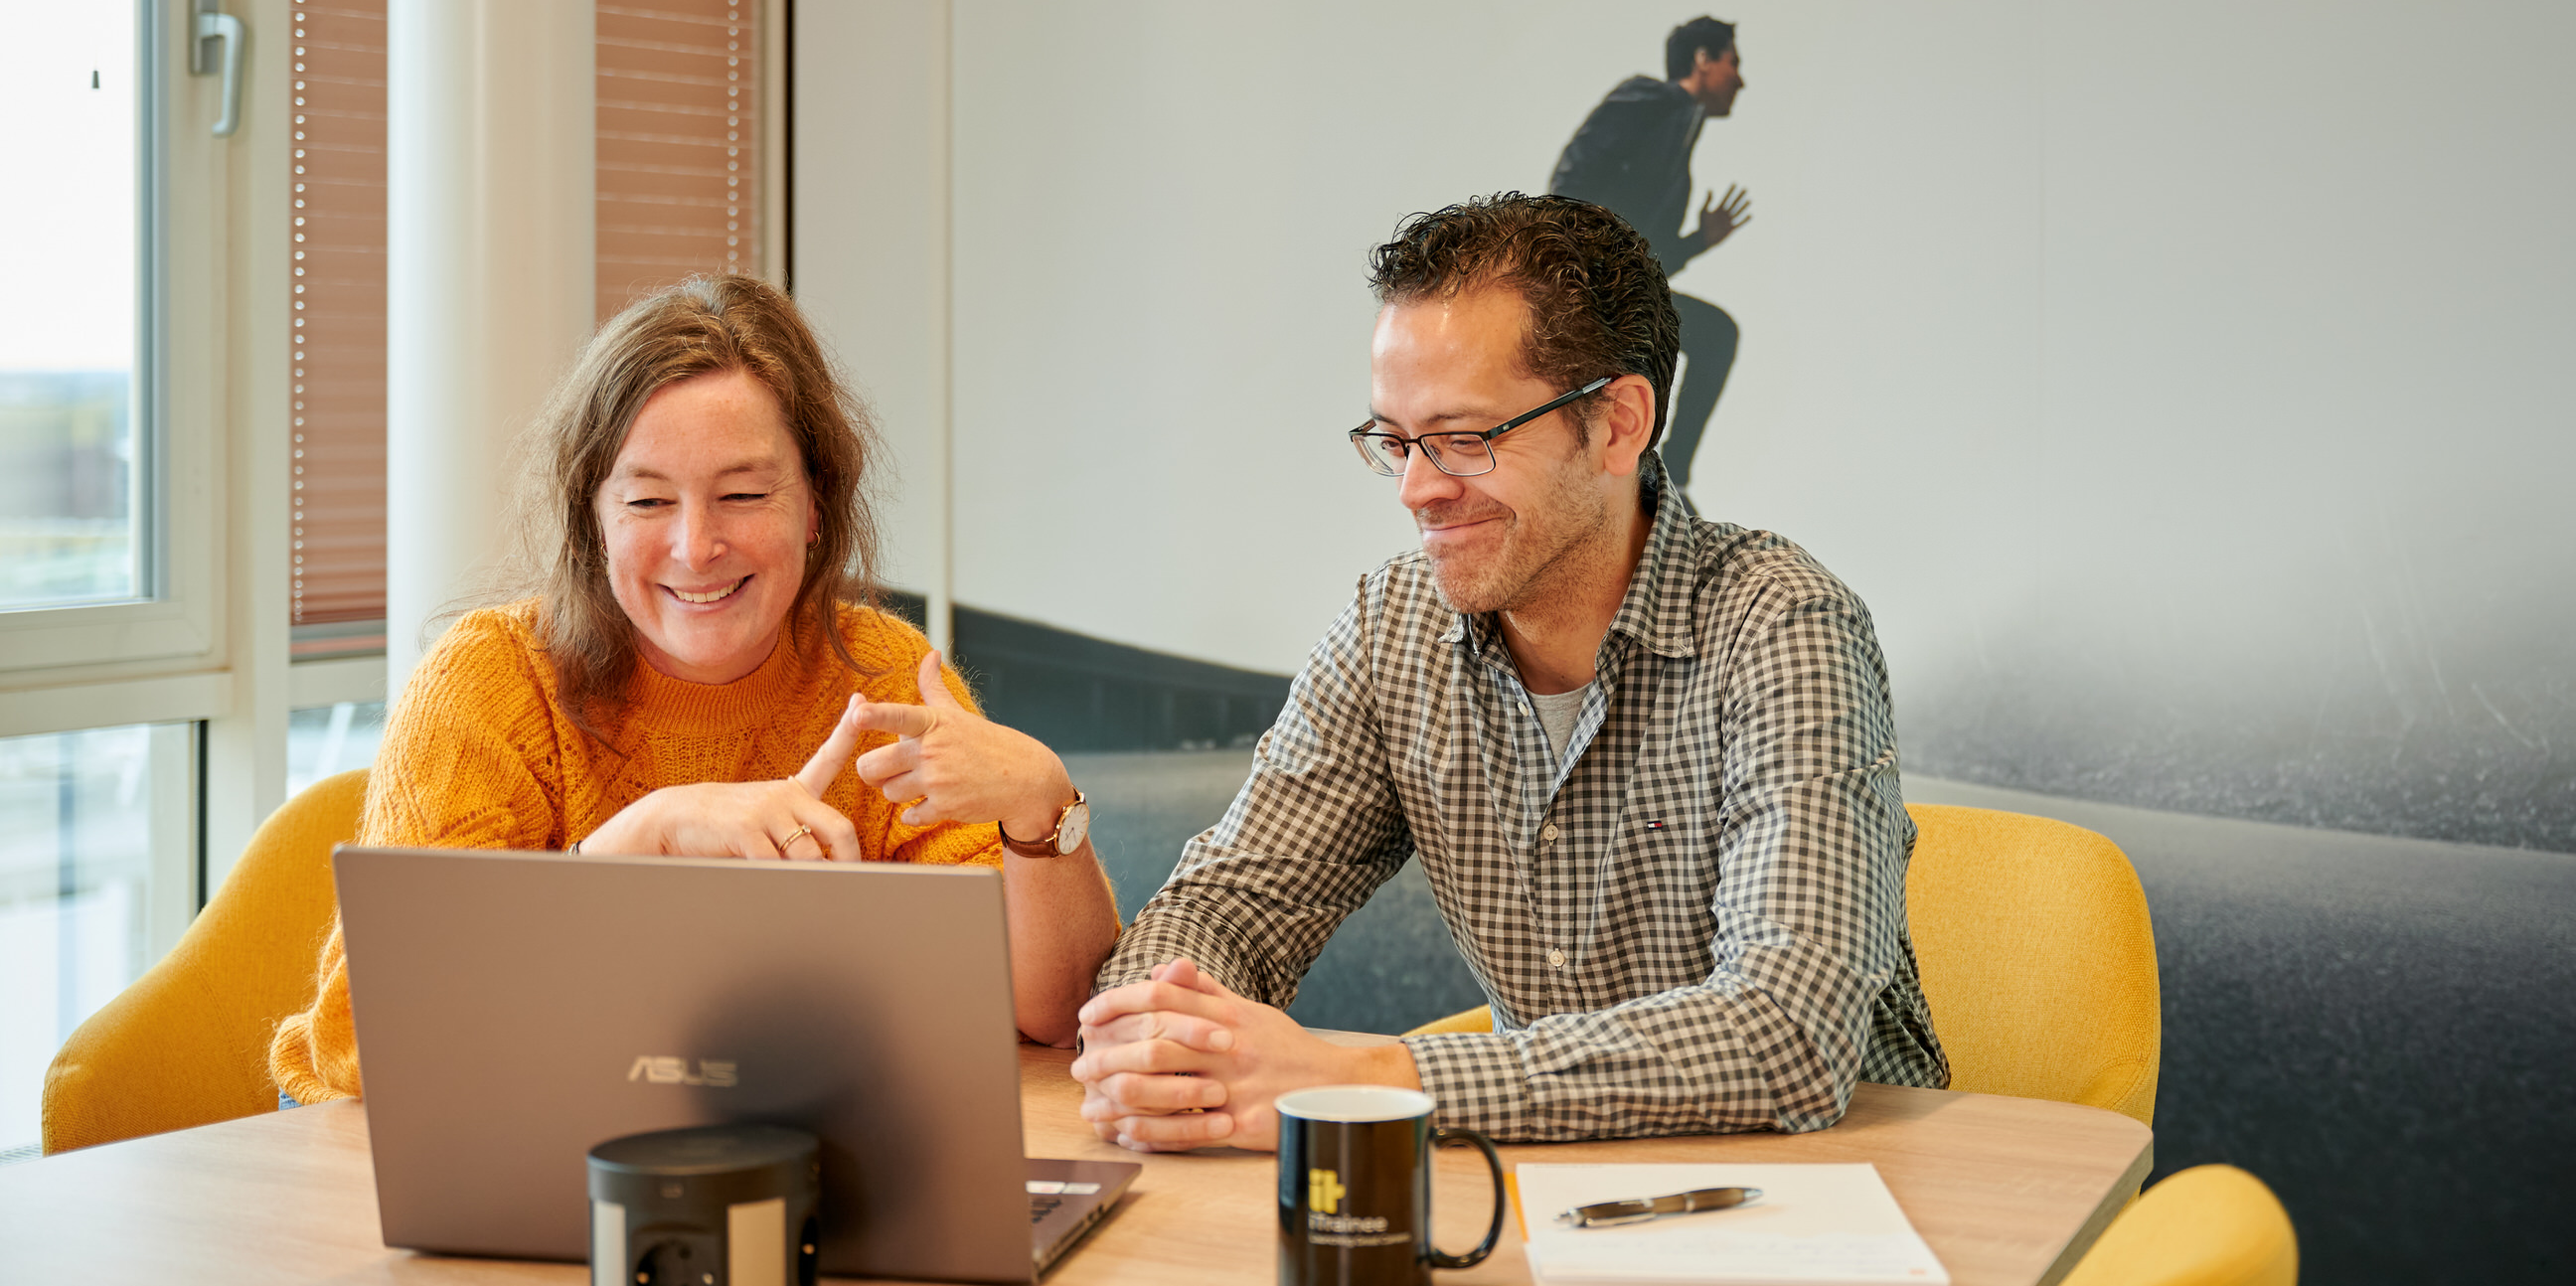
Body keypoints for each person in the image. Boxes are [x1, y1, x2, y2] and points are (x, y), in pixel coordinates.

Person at [1072, 194, 1942, 1150]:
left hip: (1837, 1179)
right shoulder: (1391, 626)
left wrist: (1367, 1080)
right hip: (1548, 1183)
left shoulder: (1782, 623)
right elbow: (1231, 905)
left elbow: (1788, 1033)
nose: (1417, 489)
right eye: (1395, 441)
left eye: (1464, 438)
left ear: (1618, 425)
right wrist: (1157, 1028)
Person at [270, 276, 1120, 1102]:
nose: (696, 545)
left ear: (815, 505)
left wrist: (1041, 805)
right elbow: (369, 1042)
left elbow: (1051, 1016)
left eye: (743, 493)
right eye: (647, 501)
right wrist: (642, 838)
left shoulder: (884, 678)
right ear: (594, 519)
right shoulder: (489, 681)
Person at [1549, 15, 1751, 502]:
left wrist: (1699, 240)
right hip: (1586, 287)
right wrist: (1578, 268)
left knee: (1714, 334)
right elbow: (1570, 179)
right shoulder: (1648, 98)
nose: (1740, 80)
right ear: (1702, 60)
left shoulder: (1681, 137)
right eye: (1733, 62)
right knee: (1697, 340)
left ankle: (1668, 475)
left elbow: (1649, 264)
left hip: (1620, 292)